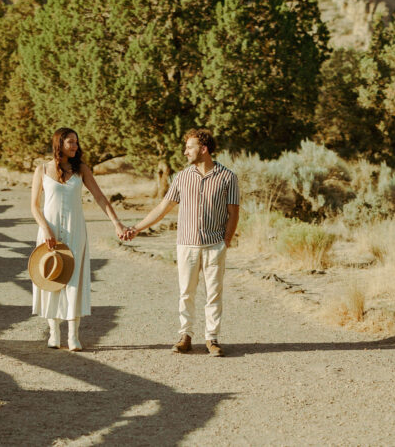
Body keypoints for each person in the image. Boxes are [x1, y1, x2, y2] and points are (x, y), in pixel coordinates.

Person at [127, 128, 240, 357]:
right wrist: (137, 228)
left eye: (190, 147)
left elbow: (233, 212)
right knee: (186, 292)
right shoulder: (182, 177)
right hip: (186, 244)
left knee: (214, 293)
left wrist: (225, 242)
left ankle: (212, 338)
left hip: (214, 245)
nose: (185, 151)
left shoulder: (228, 177)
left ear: (204, 149)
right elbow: (163, 207)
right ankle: (185, 336)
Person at [31, 127, 129, 351]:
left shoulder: (81, 169)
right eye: (70, 142)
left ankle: (73, 335)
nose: (75, 146)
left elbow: (100, 197)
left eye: (76, 142)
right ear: (59, 144)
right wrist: (45, 229)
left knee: (73, 278)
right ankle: (54, 332)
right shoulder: (42, 170)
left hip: (75, 230)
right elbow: (34, 206)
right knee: (51, 276)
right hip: (49, 231)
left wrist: (117, 223)